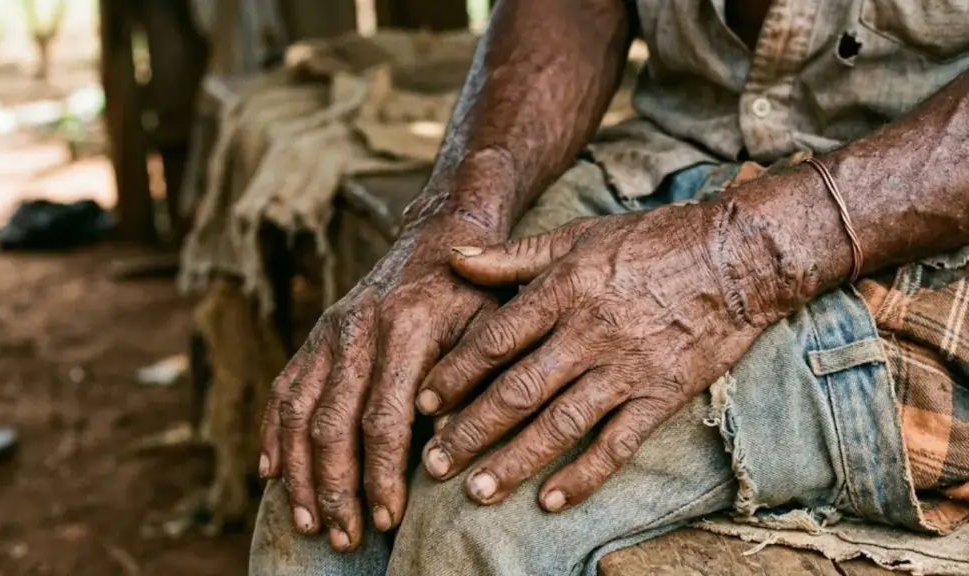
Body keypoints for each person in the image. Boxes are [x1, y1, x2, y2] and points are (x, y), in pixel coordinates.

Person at [249, 0, 969, 574]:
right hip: (667, 168)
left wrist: (737, 261)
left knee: (484, 519)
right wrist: (456, 212)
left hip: (922, 236)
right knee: (330, 471)